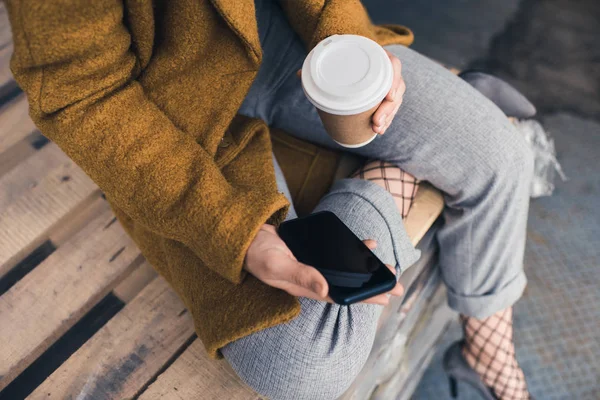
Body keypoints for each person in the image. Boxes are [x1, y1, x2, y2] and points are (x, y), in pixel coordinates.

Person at [5, 0, 533, 399]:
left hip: (282, 39)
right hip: (160, 119)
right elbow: (82, 94)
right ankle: (394, 171)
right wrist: (236, 229)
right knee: (302, 362)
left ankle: (488, 358)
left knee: (501, 155)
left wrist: (349, 42)